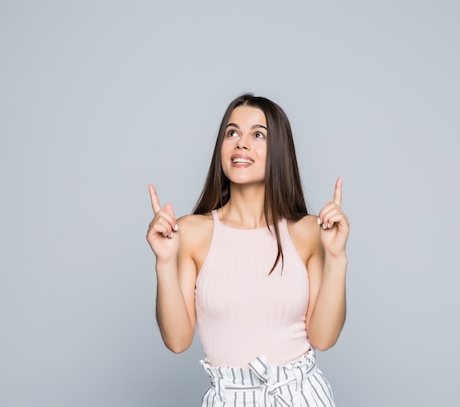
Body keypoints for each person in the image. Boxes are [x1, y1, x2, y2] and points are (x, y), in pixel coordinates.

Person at [146, 94, 349, 407]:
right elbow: (177, 341)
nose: (241, 143)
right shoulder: (191, 232)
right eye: (232, 133)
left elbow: (324, 338)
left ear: (279, 150)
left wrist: (336, 259)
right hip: (229, 397)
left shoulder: (308, 231)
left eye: (257, 134)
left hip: (300, 396)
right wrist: (164, 263)